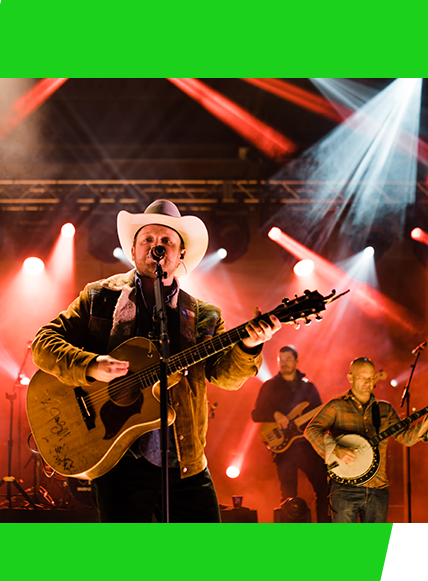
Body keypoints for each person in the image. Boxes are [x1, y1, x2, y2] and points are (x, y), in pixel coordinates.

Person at [31, 199, 281, 522]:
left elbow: (226, 377)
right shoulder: (99, 298)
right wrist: (90, 366)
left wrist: (248, 345)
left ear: (180, 255)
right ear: (133, 251)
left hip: (184, 460)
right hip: (118, 460)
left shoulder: (204, 315)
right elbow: (43, 343)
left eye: (166, 241)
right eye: (147, 240)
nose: (156, 247)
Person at [304, 357, 428, 523]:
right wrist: (336, 449)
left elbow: (407, 439)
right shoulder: (336, 406)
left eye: (371, 378)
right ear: (350, 378)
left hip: (378, 488)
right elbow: (311, 430)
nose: (367, 382)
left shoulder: (385, 409)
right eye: (362, 378)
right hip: (344, 488)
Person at [251, 345, 331, 522]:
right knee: (288, 495)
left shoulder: (308, 387)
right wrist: (275, 414)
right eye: (281, 360)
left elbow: (320, 417)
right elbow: (255, 414)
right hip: (284, 449)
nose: (284, 363)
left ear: (296, 361)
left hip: (308, 446)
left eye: (288, 359)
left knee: (323, 490)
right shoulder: (269, 386)